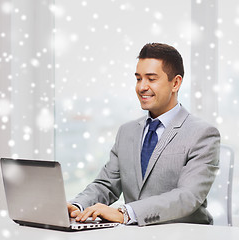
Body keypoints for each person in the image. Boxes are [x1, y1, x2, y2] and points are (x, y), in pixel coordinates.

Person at [67, 43, 220, 226]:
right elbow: (106, 184)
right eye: (138, 79)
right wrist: (77, 205)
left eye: (151, 79)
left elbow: (187, 197)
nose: (142, 87)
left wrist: (125, 213)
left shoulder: (202, 134)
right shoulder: (126, 132)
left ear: (176, 83)